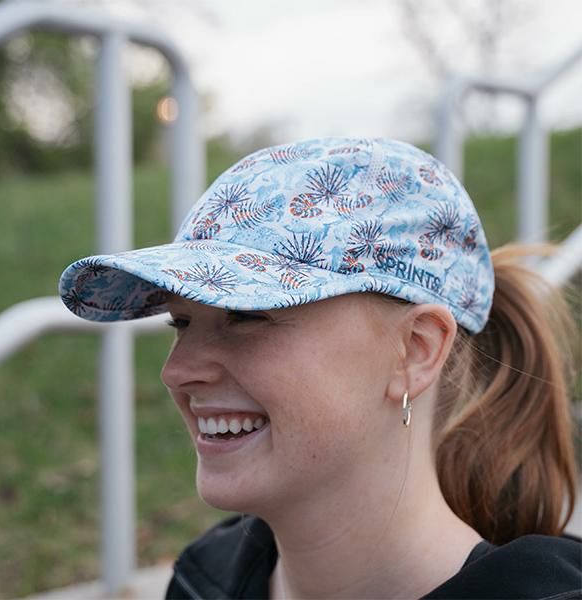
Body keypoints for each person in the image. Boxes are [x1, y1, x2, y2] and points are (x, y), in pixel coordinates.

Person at [59, 137, 581, 599]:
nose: (177, 371)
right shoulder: (205, 580)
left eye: (247, 316)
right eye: (182, 322)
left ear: (415, 351)